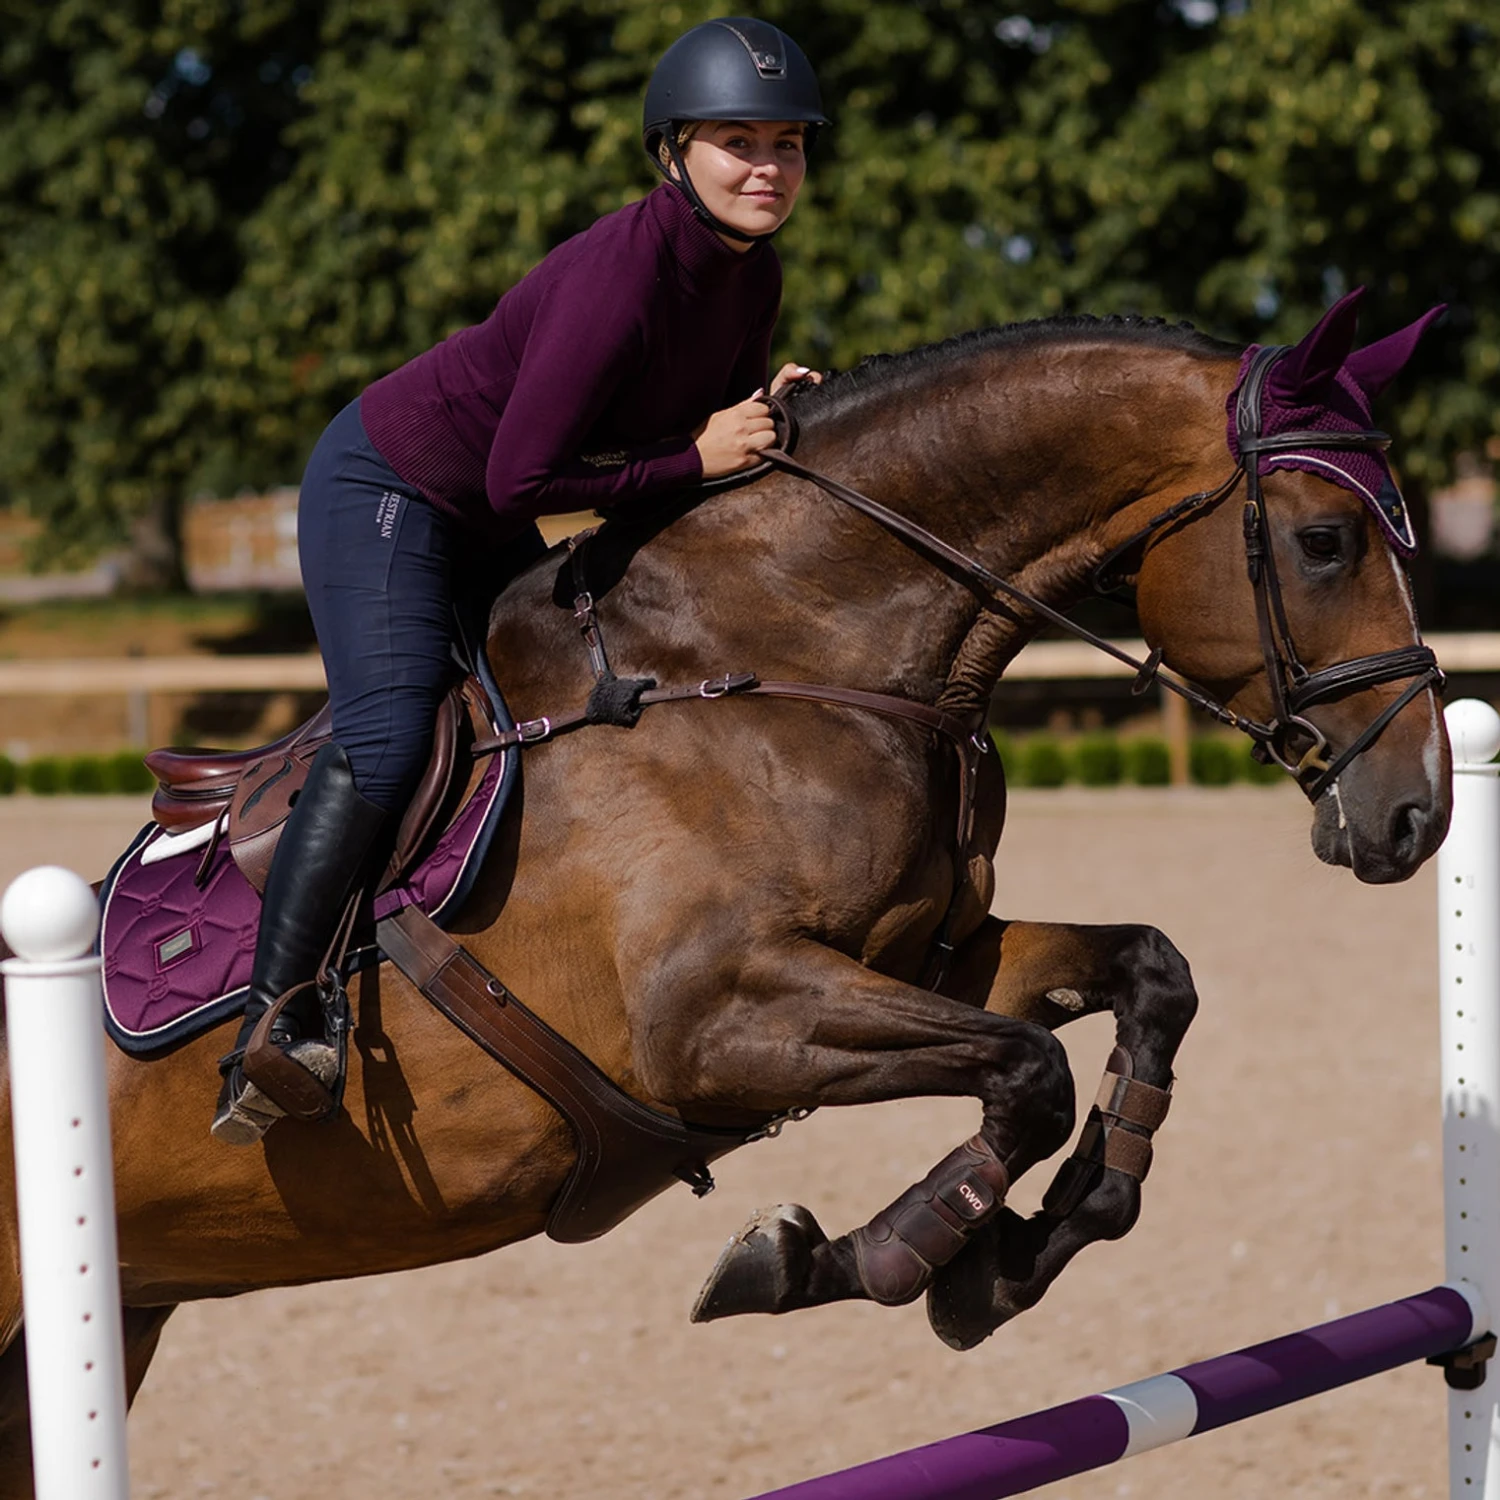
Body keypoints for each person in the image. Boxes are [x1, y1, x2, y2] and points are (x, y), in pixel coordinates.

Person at [211, 16, 830, 1143]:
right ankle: (273, 1020)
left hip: (491, 504)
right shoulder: (619, 276)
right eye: (736, 142)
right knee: (391, 739)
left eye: (786, 144)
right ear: (673, 153)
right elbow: (522, 479)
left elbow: (696, 442)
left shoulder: (753, 275)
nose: (766, 168)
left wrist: (760, 421)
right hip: (394, 488)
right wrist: (699, 456)